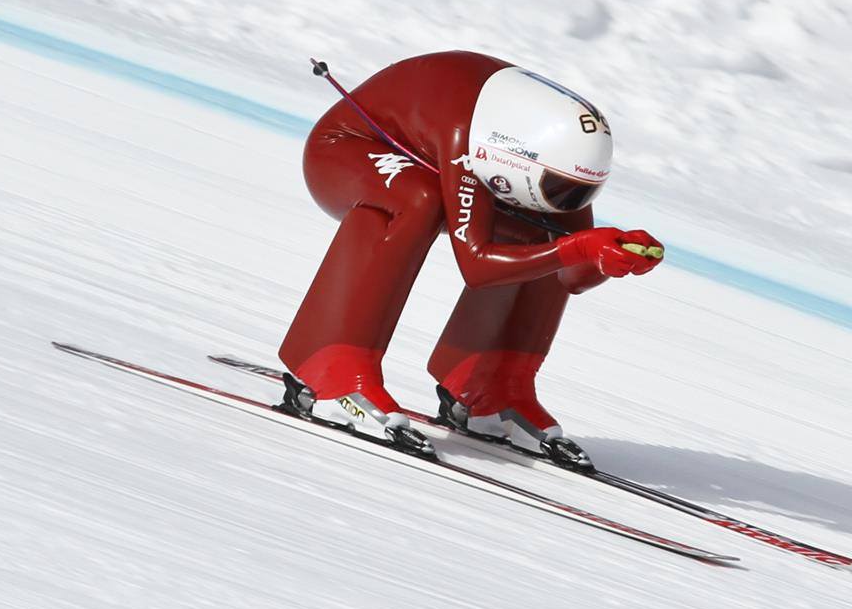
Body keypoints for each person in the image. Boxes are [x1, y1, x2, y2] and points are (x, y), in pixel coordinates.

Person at [277, 51, 664, 468]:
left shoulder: (546, 153)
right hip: (347, 148)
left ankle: (488, 388)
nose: (568, 202)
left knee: (542, 224)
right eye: (561, 188)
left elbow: (572, 276)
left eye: (581, 193)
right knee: (419, 198)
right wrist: (580, 246)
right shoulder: (468, 135)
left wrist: (611, 255)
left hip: (440, 150)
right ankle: (329, 369)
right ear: (518, 155)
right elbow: (477, 266)